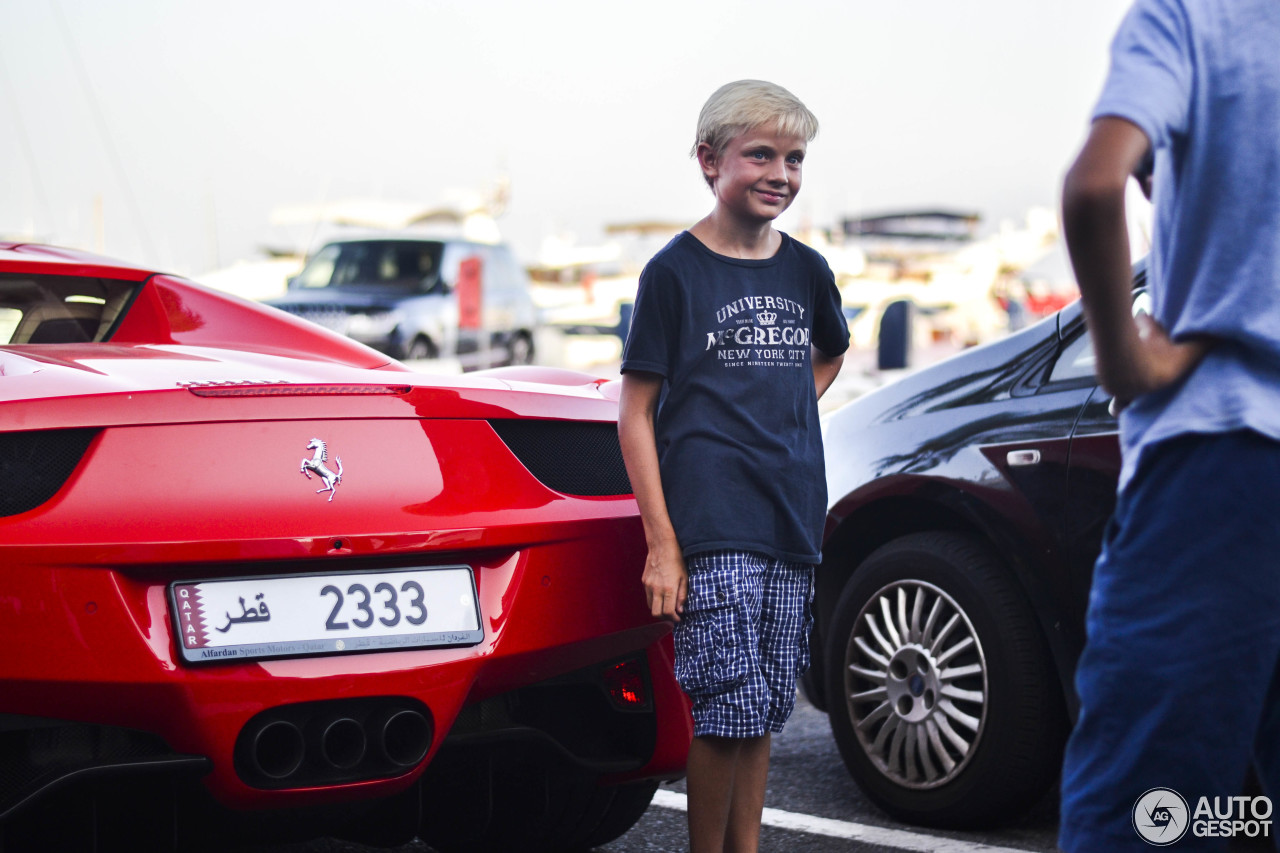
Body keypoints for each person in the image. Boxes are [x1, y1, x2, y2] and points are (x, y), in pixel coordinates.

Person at [1058, 1, 1280, 849]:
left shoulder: (1193, 16)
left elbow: (1093, 181)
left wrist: (1124, 358)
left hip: (1222, 464)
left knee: (1151, 813)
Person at [616, 80, 848, 853]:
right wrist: (662, 545)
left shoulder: (807, 271)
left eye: (794, 157)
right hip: (710, 524)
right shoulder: (674, 273)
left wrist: (778, 409)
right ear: (710, 161)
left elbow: (830, 352)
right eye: (760, 155)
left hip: (790, 518)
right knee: (724, 708)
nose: (780, 172)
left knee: (767, 707)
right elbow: (635, 411)